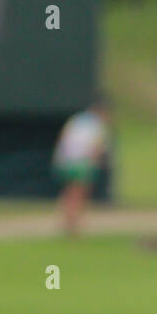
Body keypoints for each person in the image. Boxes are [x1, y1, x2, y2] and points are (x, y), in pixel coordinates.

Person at [52, 96, 112, 235]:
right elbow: (97, 146)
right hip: (82, 162)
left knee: (69, 192)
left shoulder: (76, 120)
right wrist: (97, 162)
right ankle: (74, 224)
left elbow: (63, 138)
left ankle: (67, 221)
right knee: (79, 193)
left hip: (65, 160)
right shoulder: (97, 124)